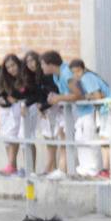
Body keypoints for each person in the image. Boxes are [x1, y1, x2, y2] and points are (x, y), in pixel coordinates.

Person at [52, 58, 111, 178]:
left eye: (78, 72)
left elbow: (97, 96)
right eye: (74, 73)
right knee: (102, 140)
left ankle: (105, 169)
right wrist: (88, 96)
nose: (76, 75)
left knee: (104, 140)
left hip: (108, 110)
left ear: (84, 69)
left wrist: (87, 97)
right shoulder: (83, 79)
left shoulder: (87, 77)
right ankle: (104, 169)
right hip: (103, 110)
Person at [38, 50, 70, 180]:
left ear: (51, 64)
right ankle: (61, 168)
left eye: (43, 65)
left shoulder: (66, 74)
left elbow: (78, 94)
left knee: (66, 138)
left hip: (76, 111)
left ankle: (63, 169)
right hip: (66, 110)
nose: (41, 68)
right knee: (62, 135)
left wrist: (58, 98)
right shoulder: (57, 76)